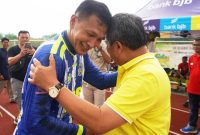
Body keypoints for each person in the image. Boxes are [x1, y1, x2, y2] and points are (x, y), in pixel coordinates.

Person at [29, 13, 171, 135]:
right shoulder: (139, 67)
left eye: (102, 41)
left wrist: (53, 85)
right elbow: (99, 79)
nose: (94, 44)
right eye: (91, 35)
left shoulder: (145, 75)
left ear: (118, 46)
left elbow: (100, 121)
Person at [13, 0, 117, 135]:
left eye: (99, 39)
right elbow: (36, 123)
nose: (93, 44)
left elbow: (100, 80)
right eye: (91, 34)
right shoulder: (50, 57)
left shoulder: (79, 50)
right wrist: (83, 131)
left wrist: (132, 69)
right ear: (73, 21)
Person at [8, 30, 35, 110]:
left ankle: (22, 118)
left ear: (29, 38)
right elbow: (9, 61)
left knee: (32, 101)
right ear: (18, 38)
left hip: (32, 80)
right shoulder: (12, 49)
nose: (25, 39)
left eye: (26, 37)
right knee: (20, 102)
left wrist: (35, 53)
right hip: (17, 80)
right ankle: (23, 119)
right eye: (22, 37)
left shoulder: (35, 49)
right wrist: (20, 55)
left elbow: (44, 61)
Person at [180, 37, 200, 134]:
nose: (196, 47)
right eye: (194, 45)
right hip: (192, 89)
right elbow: (191, 73)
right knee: (193, 110)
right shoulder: (191, 58)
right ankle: (192, 126)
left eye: (198, 45)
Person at [82, 40, 111, 106]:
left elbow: (109, 60)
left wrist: (100, 48)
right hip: (86, 82)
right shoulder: (85, 42)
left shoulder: (103, 44)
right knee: (88, 107)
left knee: (99, 107)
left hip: (100, 80)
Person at [0, 37, 14, 102]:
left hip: (9, 73)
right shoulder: (0, 51)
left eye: (7, 42)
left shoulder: (8, 52)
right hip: (2, 74)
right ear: (2, 43)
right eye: (5, 42)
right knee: (1, 88)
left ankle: (11, 98)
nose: (6, 43)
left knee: (10, 87)